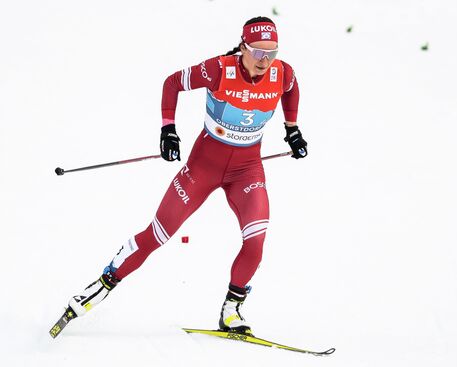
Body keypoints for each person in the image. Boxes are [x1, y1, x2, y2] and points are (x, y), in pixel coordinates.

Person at [65, 16, 307, 335]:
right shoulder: (220, 69)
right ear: (243, 47)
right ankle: (103, 282)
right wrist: (168, 130)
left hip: (247, 170)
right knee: (159, 234)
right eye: (258, 52)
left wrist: (292, 130)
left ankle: (232, 309)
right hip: (204, 166)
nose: (265, 60)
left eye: (271, 52)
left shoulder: (281, 72)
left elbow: (291, 89)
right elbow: (172, 83)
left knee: (256, 242)